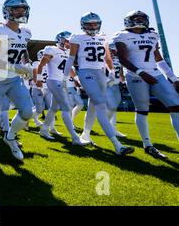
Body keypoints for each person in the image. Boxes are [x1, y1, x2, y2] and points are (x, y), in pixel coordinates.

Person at [62, 12, 134, 156]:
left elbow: (107, 57)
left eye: (95, 24)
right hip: (85, 71)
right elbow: (70, 59)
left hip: (100, 73)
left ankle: (85, 135)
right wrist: (65, 77)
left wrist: (112, 72)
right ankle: (117, 145)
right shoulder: (77, 37)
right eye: (90, 24)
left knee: (93, 106)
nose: (93, 26)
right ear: (83, 25)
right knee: (101, 104)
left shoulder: (103, 37)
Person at [113, 10, 179, 158]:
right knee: (142, 109)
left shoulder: (152, 35)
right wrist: (141, 73)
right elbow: (123, 59)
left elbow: (159, 60)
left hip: (156, 73)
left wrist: (173, 78)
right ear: (129, 21)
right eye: (137, 18)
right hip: (136, 75)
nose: (140, 20)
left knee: (176, 106)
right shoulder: (122, 36)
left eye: (142, 18)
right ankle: (148, 145)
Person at [0, 0, 34, 161]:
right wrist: (15, 67)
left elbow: (22, 50)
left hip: (14, 79)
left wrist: (27, 65)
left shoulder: (26, 32)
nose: (21, 12)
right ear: (7, 12)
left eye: (23, 9)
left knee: (27, 112)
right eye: (16, 9)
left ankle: (10, 137)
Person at [37, 31, 89, 145]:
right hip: (54, 81)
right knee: (66, 107)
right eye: (66, 41)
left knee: (54, 108)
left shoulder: (68, 52)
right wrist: (39, 80)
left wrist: (78, 80)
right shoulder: (52, 49)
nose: (68, 43)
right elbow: (41, 65)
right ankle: (75, 137)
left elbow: (69, 69)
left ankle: (44, 129)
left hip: (62, 82)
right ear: (60, 40)